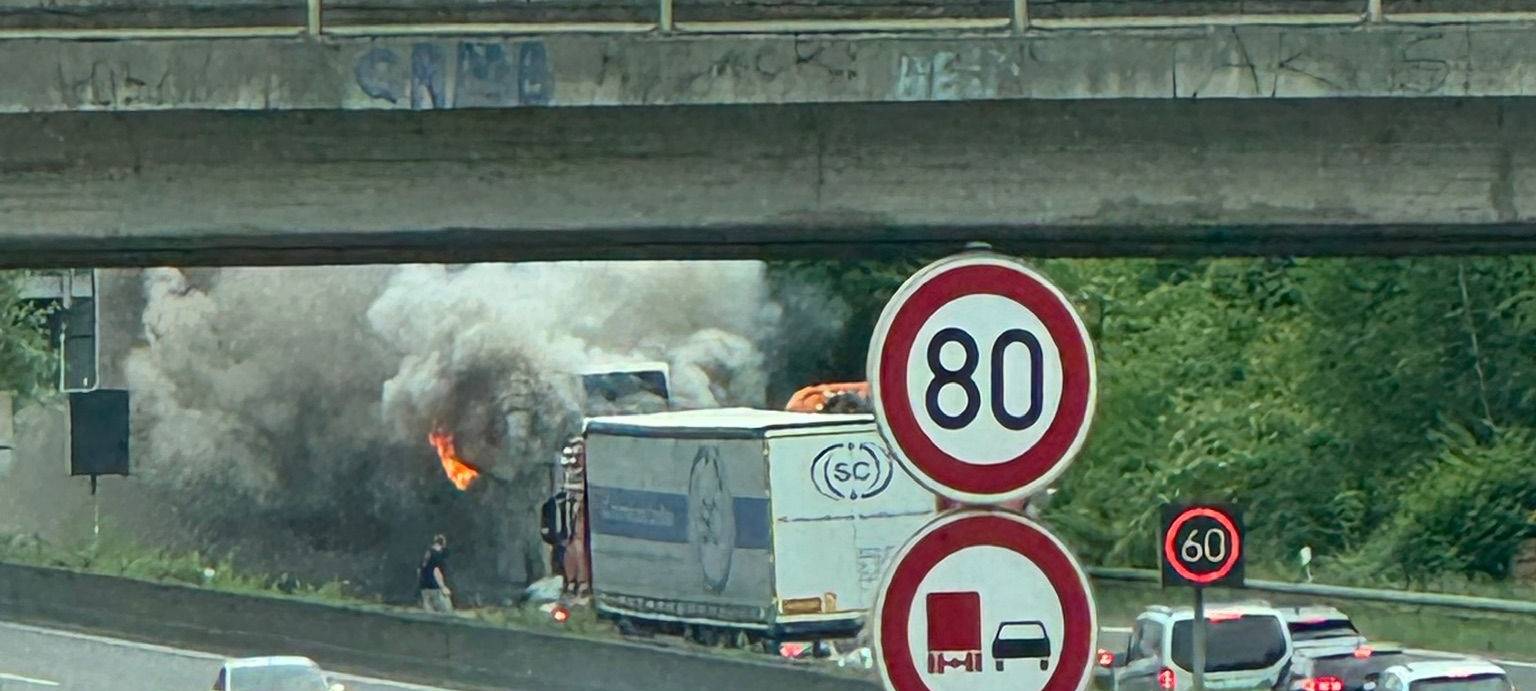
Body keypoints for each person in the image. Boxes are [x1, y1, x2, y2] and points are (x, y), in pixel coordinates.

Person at [418, 534, 453, 613]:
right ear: (443, 543)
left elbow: (419, 570)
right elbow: (436, 571)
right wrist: (443, 587)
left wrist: (421, 583)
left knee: (429, 612)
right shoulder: (437, 555)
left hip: (424, 586)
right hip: (435, 587)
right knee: (446, 611)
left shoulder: (427, 552)